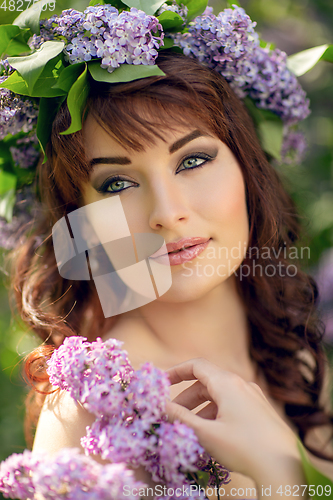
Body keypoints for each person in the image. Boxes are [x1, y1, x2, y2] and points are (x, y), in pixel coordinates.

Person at [1, 3, 333, 499]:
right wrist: (281, 480)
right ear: (82, 221)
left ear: (247, 167)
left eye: (193, 159)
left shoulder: (295, 356)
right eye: (116, 183)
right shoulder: (94, 409)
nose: (166, 212)